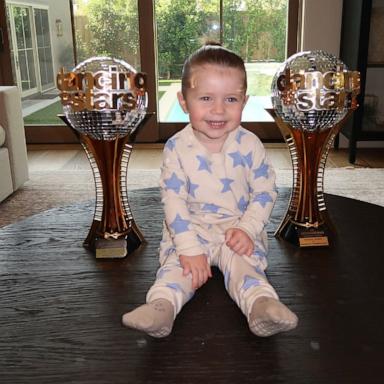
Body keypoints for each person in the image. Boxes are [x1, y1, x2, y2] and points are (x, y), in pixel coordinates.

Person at [122, 43, 298, 338]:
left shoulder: (251, 144)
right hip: (192, 230)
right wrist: (189, 249)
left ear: (244, 101)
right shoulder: (177, 148)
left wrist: (247, 228)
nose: (219, 109)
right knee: (178, 270)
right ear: (183, 101)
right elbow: (173, 202)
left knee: (246, 269)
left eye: (231, 99)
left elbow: (266, 192)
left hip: (237, 230)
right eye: (206, 98)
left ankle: (261, 305)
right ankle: (162, 307)